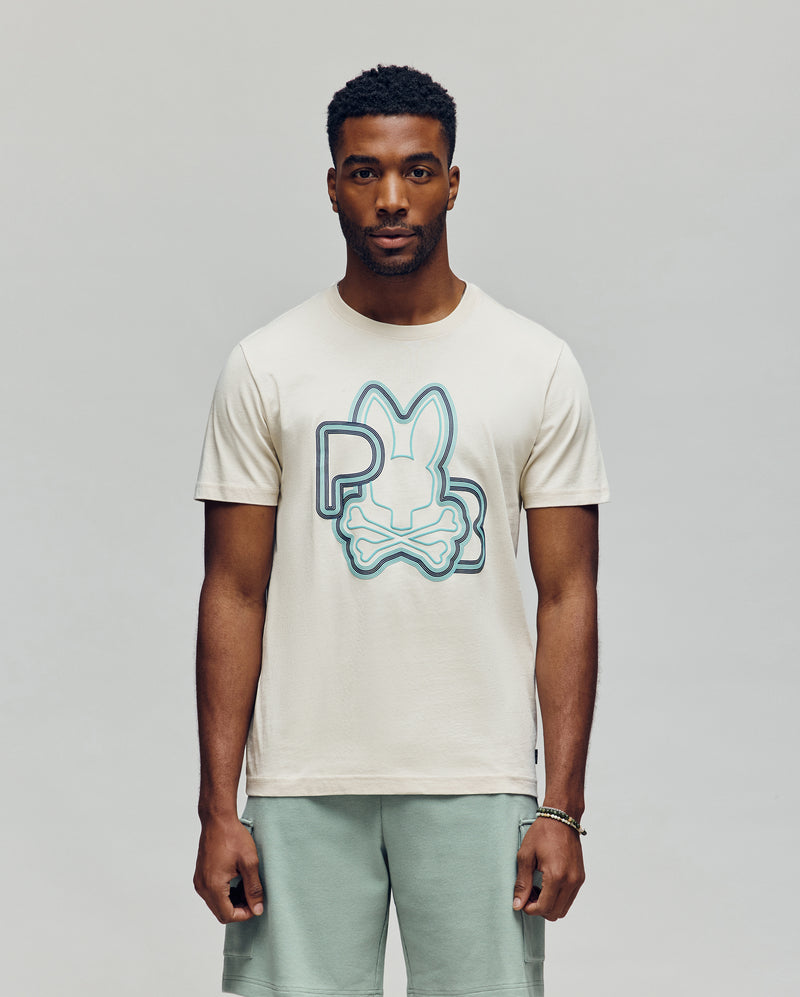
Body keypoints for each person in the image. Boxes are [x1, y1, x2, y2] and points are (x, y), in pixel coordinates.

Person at [192, 64, 610, 997]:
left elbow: (567, 593)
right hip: (301, 778)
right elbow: (234, 590)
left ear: (452, 182)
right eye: (365, 171)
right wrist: (219, 806)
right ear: (332, 184)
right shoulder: (267, 365)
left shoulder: (535, 365)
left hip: (479, 775)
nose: (391, 197)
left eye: (417, 170)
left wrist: (562, 808)